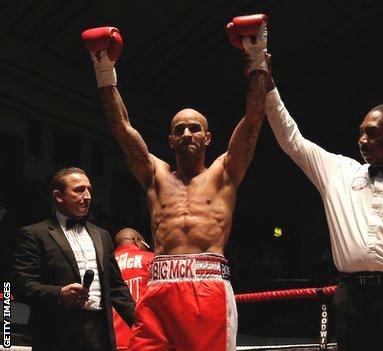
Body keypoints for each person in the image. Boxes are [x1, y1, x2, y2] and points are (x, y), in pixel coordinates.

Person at [82, 17, 267, 351]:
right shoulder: (156, 175)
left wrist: (256, 57)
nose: (187, 133)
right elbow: (122, 129)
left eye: (195, 128)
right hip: (159, 287)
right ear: (169, 139)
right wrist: (103, 68)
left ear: (208, 137)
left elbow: (253, 119)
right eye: (179, 129)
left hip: (206, 287)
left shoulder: (225, 172)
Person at [261, 54, 383, 350]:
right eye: (361, 133)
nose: (363, 140)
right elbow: (291, 138)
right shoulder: (338, 171)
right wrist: (268, 83)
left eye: (373, 133)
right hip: (350, 297)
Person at [12, 167, 135, 351]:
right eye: (79, 189)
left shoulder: (102, 235)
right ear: (58, 196)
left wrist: (144, 322)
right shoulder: (34, 234)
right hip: (56, 332)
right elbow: (21, 285)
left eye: (89, 190)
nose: (87, 196)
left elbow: (116, 287)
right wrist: (60, 294)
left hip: (99, 332)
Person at [111, 228, 154, 350]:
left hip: (111, 340)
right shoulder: (151, 259)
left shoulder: (105, 263)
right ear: (137, 241)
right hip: (144, 338)